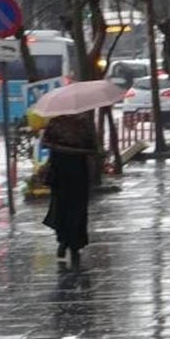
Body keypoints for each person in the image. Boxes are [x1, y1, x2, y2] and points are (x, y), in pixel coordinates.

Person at [42, 113, 99, 268]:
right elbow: (93, 147)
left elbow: (45, 143)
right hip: (78, 170)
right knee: (78, 207)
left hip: (59, 169)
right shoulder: (85, 122)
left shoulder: (55, 121)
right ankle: (75, 243)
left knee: (61, 206)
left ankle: (63, 241)